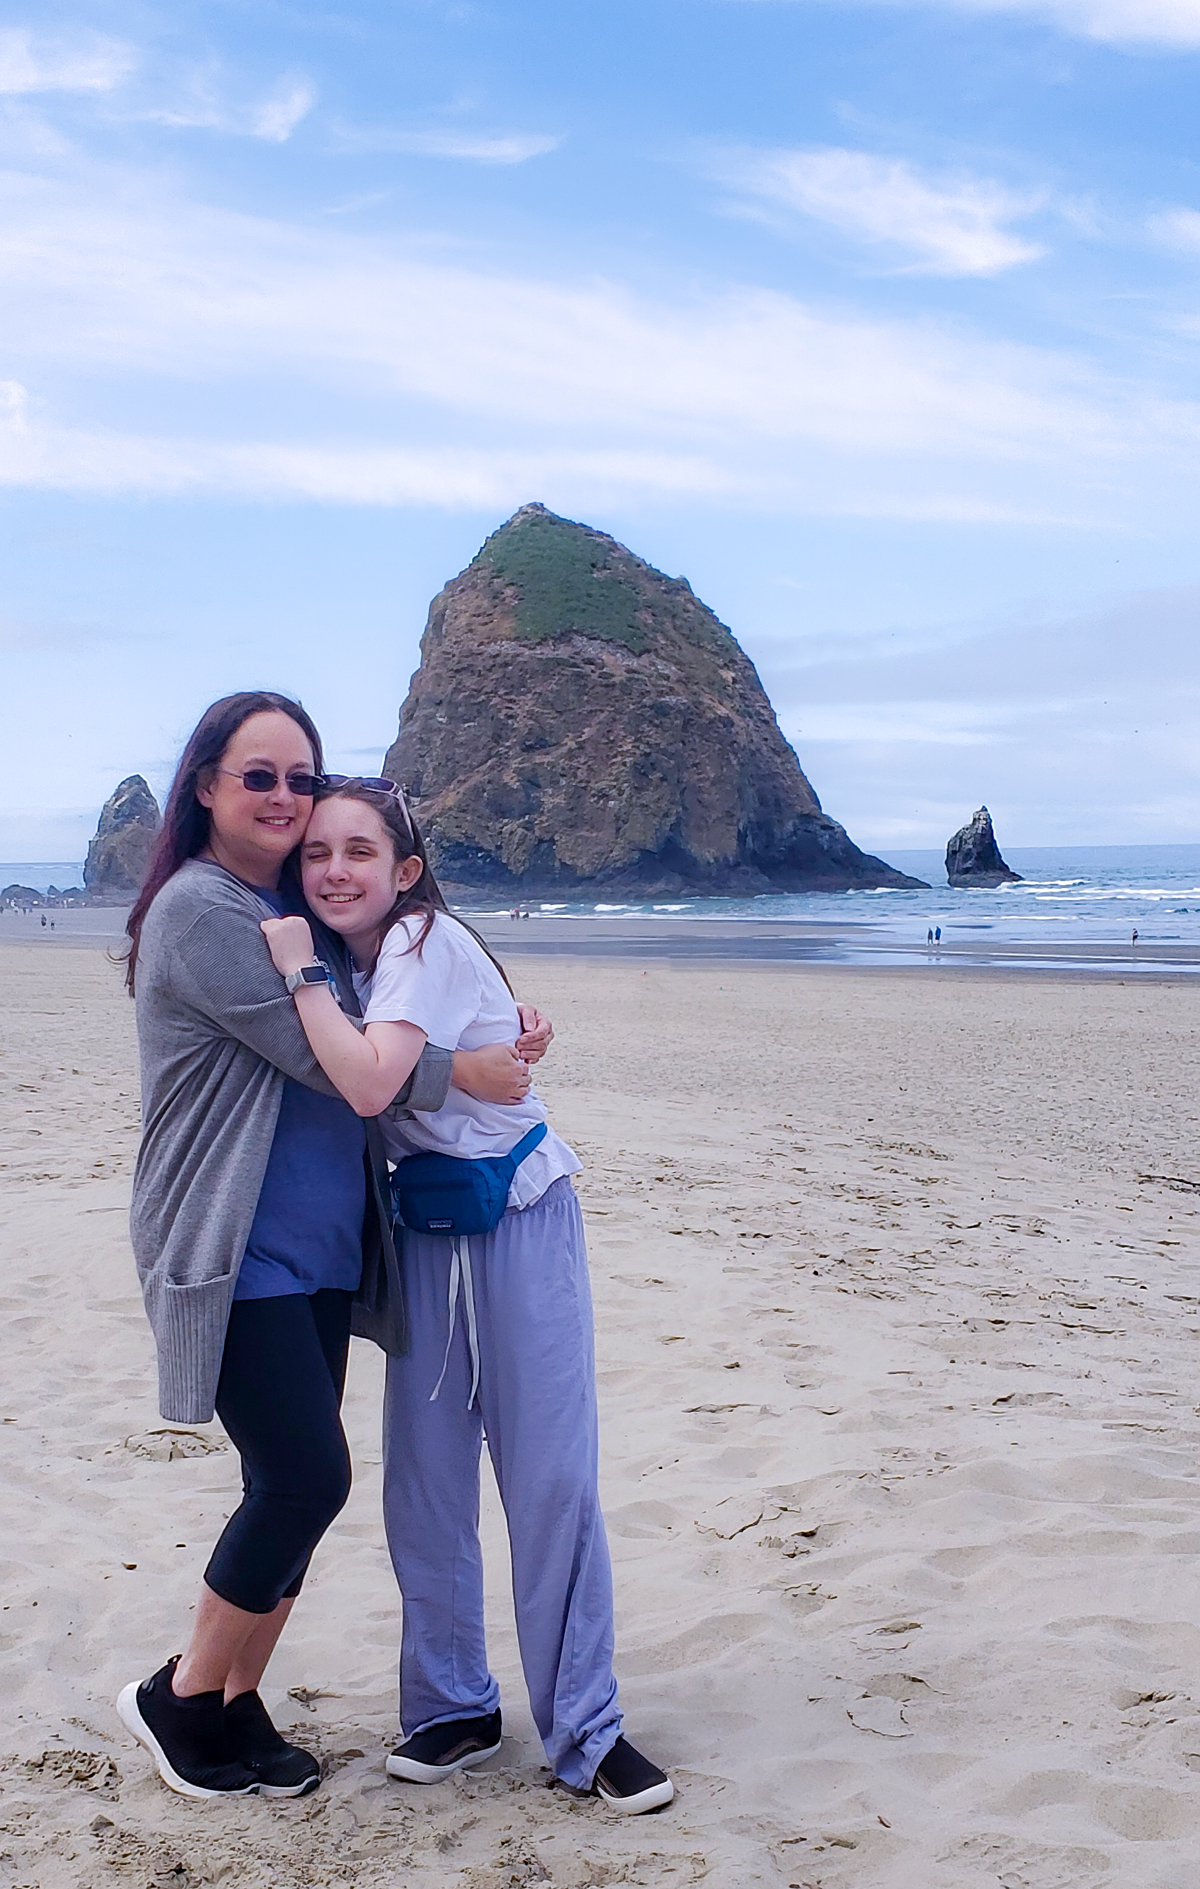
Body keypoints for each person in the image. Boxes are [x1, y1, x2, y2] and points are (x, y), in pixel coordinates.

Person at [116, 693, 543, 1802]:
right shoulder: (206, 909)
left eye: (299, 778)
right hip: (232, 1239)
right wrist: (472, 1075)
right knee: (307, 1474)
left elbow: (389, 1006)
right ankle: (178, 1693)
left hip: (319, 1243)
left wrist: (499, 1025)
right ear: (205, 783)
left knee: (289, 1477)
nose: (282, 797)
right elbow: (329, 1060)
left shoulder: (285, 901)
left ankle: (233, 1701)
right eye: (259, 775)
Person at [260, 779, 674, 1815]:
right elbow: (385, 1064)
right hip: (425, 1233)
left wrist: (306, 971)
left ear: (405, 870)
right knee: (428, 1484)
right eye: (317, 853)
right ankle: (453, 1704)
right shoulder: (356, 958)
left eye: (361, 850)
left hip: (521, 1219)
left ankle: (587, 1725)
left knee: (548, 1480)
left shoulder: (415, 941)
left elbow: (366, 1080)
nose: (335, 869)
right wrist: (464, 1054)